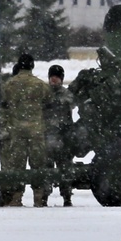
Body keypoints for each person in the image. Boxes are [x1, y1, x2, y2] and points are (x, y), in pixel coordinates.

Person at [0, 53, 52, 207]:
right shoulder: (40, 85)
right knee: (38, 165)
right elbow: (49, 100)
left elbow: (3, 104)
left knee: (17, 166)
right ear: (32, 66)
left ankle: (16, 198)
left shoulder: (9, 85)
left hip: (17, 132)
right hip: (36, 131)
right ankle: (39, 198)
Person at [43, 64, 76, 207]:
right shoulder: (44, 93)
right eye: (52, 77)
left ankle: (67, 196)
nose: (54, 80)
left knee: (65, 169)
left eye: (57, 77)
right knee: (46, 170)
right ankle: (44, 196)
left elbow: (72, 102)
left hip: (63, 138)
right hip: (47, 137)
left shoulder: (66, 94)